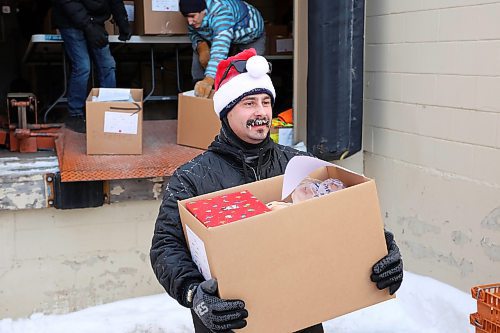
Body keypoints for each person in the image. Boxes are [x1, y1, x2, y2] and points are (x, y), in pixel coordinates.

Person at [150, 49, 404, 333]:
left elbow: (339, 223)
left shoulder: (298, 166)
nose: (261, 112)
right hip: (232, 321)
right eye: (249, 103)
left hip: (299, 316)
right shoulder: (192, 178)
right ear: (226, 111)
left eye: (265, 102)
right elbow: (165, 247)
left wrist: (381, 251)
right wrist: (193, 293)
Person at [52, 0, 132, 133]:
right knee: (83, 66)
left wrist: (123, 22)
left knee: (108, 65)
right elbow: (69, 3)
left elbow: (116, 1)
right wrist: (88, 27)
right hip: (70, 21)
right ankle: (75, 114)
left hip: (95, 22)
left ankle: (108, 109)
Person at [179, 0, 265, 98]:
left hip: (249, 33)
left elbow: (220, 48)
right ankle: (199, 98)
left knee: (254, 70)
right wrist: (201, 46)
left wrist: (209, 79)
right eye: (186, 17)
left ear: (203, 11)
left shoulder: (221, 12)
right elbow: (193, 33)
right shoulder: (195, 17)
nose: (189, 22)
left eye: (192, 16)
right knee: (199, 58)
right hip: (219, 33)